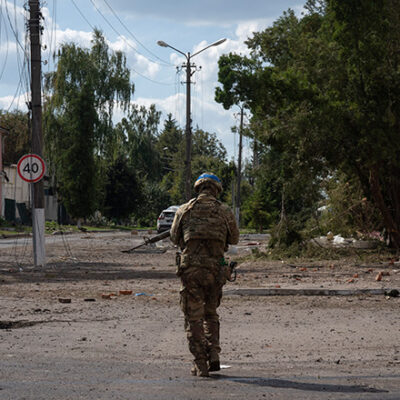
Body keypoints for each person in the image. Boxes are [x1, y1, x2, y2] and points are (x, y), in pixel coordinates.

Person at [170, 172, 239, 377]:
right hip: (215, 271)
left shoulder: (184, 210)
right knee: (211, 313)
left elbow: (174, 237)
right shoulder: (224, 211)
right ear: (216, 189)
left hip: (191, 271)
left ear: (198, 188)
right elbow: (234, 239)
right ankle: (214, 354)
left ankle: (200, 362)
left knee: (193, 317)